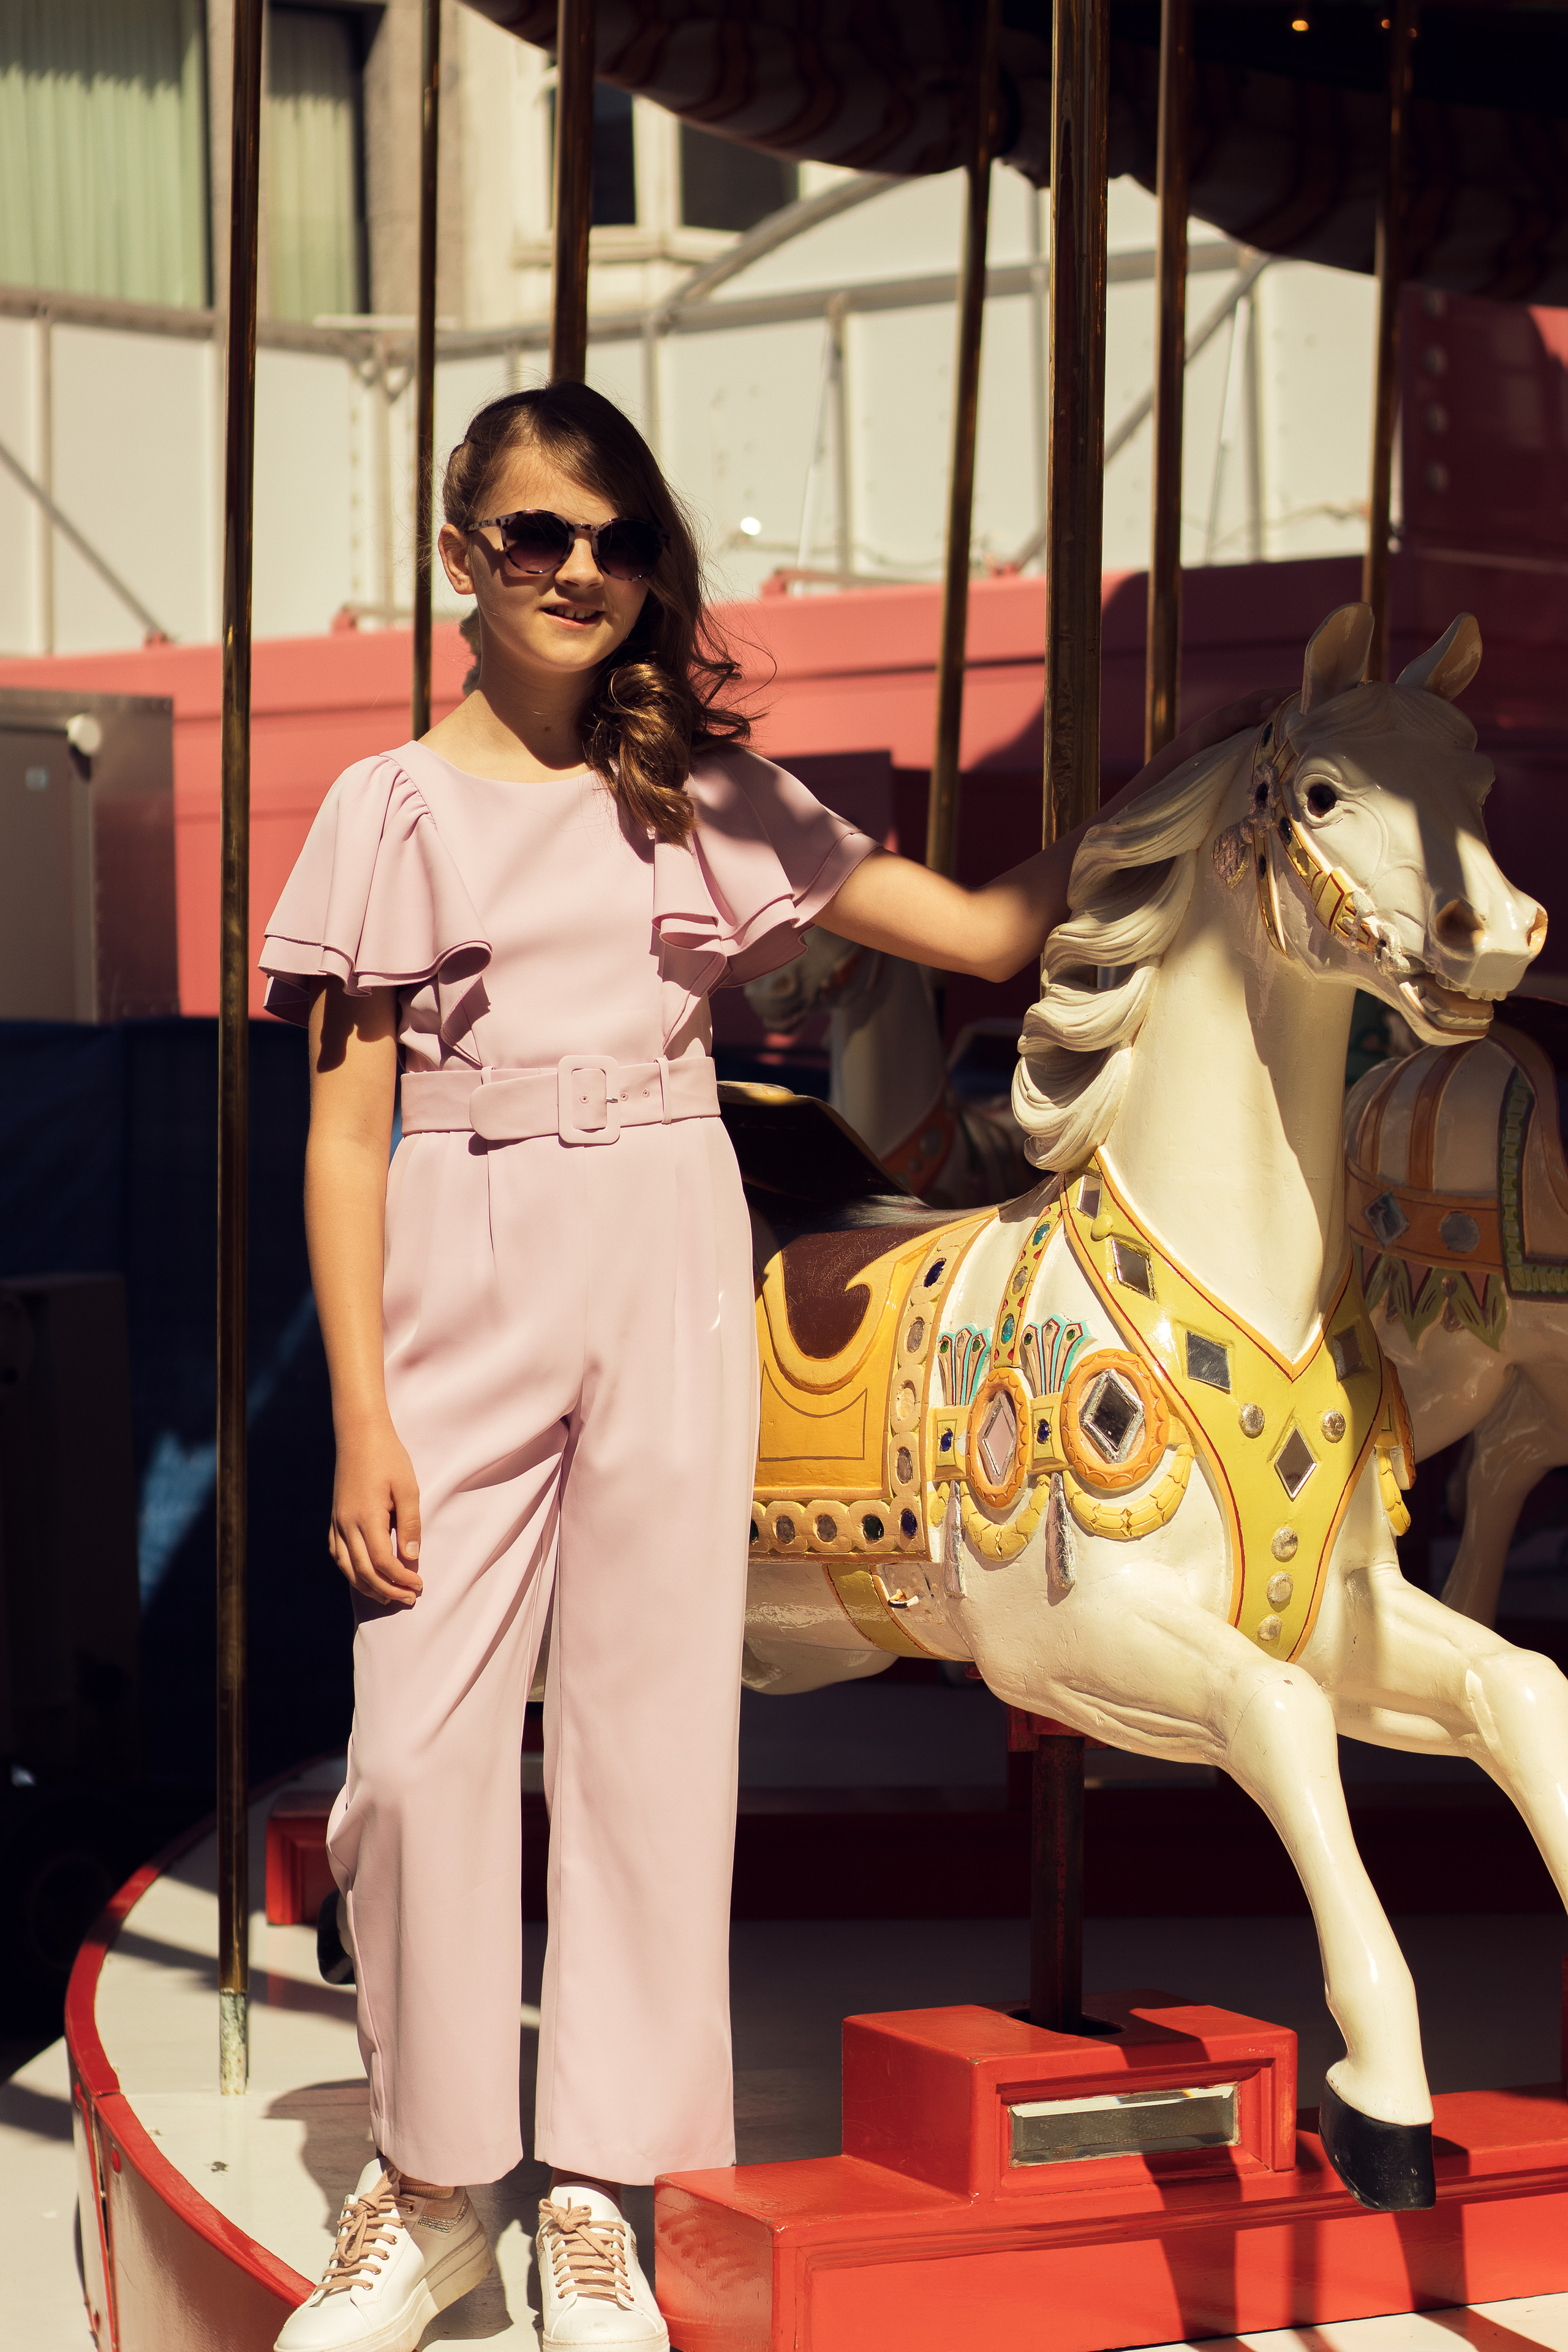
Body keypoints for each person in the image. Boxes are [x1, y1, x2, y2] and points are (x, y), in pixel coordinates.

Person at [260, 380, 1274, 2352]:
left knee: (652, 1739)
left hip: (659, 1228)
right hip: (458, 1263)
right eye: (539, 535)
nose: (579, 572)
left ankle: (597, 2199)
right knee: (413, 1754)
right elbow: (341, 1136)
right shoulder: (382, 810)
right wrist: (364, 1421)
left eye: (617, 542)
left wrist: (1164, 799)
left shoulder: (703, 796)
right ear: (459, 553)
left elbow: (981, 930)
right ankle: (440, 2175)